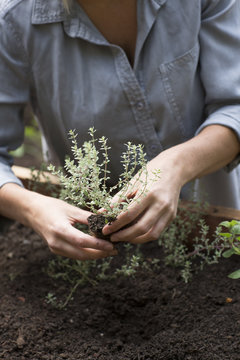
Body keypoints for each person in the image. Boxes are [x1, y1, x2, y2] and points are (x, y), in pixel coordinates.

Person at [0, 0, 240, 260]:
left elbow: (234, 107)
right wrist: (33, 209)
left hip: (214, 234)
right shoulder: (12, 20)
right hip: (96, 244)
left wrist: (176, 166)